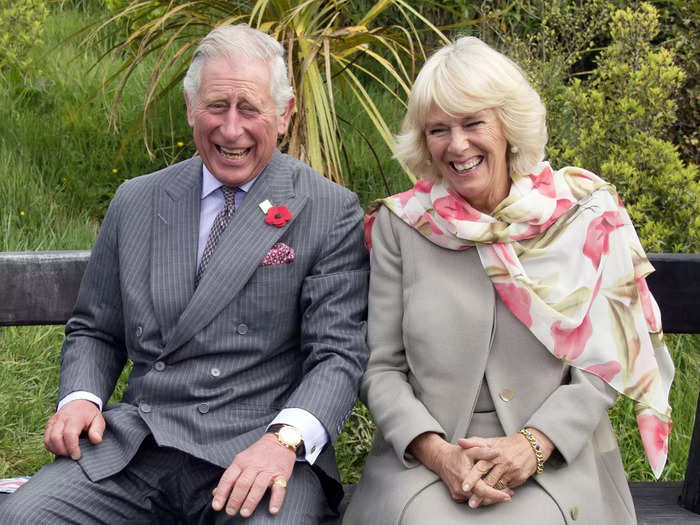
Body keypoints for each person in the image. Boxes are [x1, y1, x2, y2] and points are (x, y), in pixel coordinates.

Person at [0, 24, 369, 524]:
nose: (231, 129)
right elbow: (95, 329)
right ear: (192, 108)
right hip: (142, 443)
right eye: (216, 106)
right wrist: (81, 399)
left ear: (283, 116)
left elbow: (338, 353)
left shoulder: (327, 209)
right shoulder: (137, 199)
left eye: (250, 109)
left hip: (257, 448)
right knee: (24, 517)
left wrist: (285, 440)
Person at [343, 36, 674, 525]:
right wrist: (438, 454)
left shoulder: (585, 214)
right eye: (438, 130)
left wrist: (532, 446)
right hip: (426, 460)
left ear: (508, 128)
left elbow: (608, 360)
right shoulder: (401, 225)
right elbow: (382, 368)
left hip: (554, 454)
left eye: (474, 123)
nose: (457, 145)